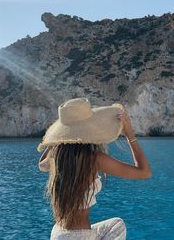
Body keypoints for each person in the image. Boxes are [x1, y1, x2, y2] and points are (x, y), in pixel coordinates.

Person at [37, 98, 152, 240]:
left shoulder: (58, 157)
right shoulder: (93, 159)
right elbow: (144, 172)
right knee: (118, 227)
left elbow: (41, 165)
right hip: (79, 236)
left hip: (58, 233)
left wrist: (56, 140)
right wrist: (130, 134)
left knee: (116, 224)